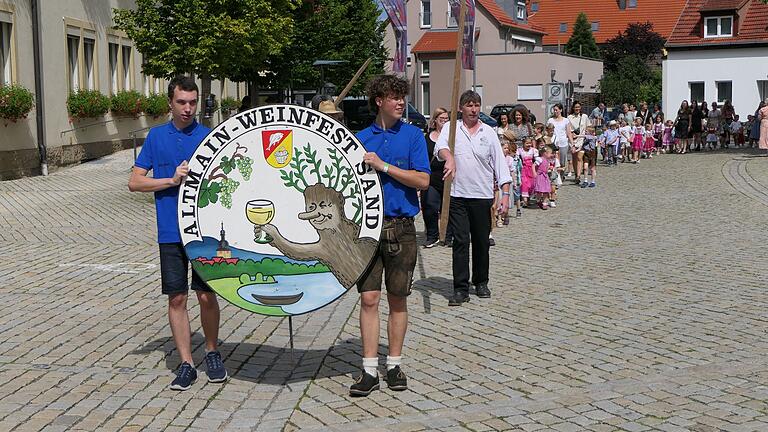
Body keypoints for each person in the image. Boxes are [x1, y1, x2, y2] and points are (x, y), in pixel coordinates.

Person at [128, 76, 228, 391]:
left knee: (206, 295)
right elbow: (135, 182)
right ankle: (186, 363)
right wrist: (170, 181)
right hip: (170, 231)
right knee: (177, 298)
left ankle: (211, 351)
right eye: (181, 102)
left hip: (203, 231)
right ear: (170, 103)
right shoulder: (156, 137)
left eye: (192, 102)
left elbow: (226, 182)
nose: (187, 109)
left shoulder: (210, 137)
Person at [352, 74, 430, 397]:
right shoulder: (358, 138)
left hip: (402, 228)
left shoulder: (412, 136)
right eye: (394, 97)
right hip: (367, 229)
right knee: (369, 299)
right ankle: (369, 370)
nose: (400, 102)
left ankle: (394, 365)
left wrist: (383, 167)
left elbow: (423, 181)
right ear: (378, 101)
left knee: (398, 300)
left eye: (402, 97)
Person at [435, 90, 511, 306]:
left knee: (481, 241)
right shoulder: (451, 128)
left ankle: (480, 281)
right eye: (469, 105)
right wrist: (449, 157)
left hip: (482, 195)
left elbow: (500, 165)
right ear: (461, 108)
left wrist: (505, 195)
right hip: (458, 194)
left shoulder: (488, 133)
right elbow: (440, 148)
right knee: (460, 241)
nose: (473, 109)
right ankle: (460, 288)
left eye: (476, 105)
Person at [421, 107, 451, 248]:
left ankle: (449, 235)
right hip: (432, 177)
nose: (444, 122)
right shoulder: (427, 138)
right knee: (430, 206)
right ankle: (432, 235)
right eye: (441, 119)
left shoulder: (452, 137)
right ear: (435, 121)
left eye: (446, 119)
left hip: (449, 177)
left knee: (450, 208)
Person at [547, 103, 573, 179]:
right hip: (553, 143)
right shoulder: (550, 120)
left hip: (563, 143)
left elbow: (568, 133)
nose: (555, 111)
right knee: (553, 159)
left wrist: (572, 144)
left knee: (562, 161)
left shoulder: (566, 120)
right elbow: (547, 131)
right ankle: (553, 175)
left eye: (556, 110)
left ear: (561, 110)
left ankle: (561, 176)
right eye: (554, 110)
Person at [567, 101, 590, 184]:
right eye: (576, 107)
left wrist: (588, 133)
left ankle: (578, 176)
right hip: (573, 139)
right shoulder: (569, 117)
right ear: (573, 108)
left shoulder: (584, 116)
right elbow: (568, 128)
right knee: (574, 158)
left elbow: (588, 127)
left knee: (580, 158)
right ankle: (576, 172)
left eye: (578, 107)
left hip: (581, 139)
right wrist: (571, 133)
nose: (577, 109)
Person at [517, 137, 538, 207]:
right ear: (523, 143)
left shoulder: (533, 150)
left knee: (531, 184)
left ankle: (528, 198)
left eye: (530, 143)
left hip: (531, 169)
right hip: (523, 169)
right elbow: (517, 159)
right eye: (527, 143)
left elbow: (537, 160)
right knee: (524, 184)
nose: (529, 145)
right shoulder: (520, 150)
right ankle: (524, 201)